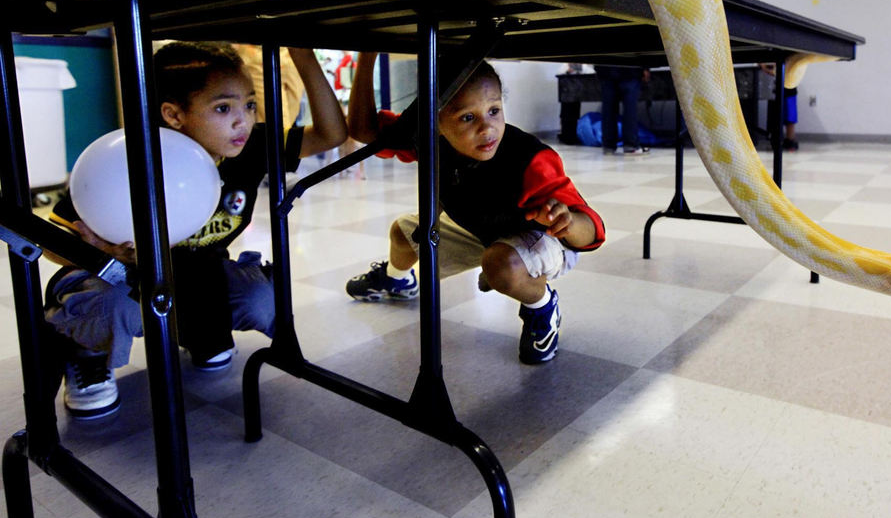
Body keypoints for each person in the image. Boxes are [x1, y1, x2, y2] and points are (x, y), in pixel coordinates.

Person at [45, 41, 348, 419]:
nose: (243, 120)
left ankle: (197, 332)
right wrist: (101, 256)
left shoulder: (249, 146)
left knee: (262, 298)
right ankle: (86, 352)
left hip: (197, 275)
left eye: (249, 104)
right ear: (174, 115)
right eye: (223, 108)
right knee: (112, 306)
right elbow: (51, 242)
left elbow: (331, 136)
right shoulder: (132, 158)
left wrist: (303, 54)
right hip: (121, 278)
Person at [343, 53, 605, 364]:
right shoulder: (428, 138)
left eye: (494, 111)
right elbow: (364, 131)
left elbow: (593, 230)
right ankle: (397, 278)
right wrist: (367, 55)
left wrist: (568, 221)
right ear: (436, 121)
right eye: (468, 117)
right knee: (403, 232)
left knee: (500, 265)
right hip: (479, 228)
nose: (487, 128)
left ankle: (543, 308)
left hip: (539, 234)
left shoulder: (530, 159)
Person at [594, 64, 649, 155]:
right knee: (630, 109)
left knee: (608, 109)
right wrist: (645, 68)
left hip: (606, 67)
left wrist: (597, 68)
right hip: (630, 68)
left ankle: (608, 146)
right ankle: (631, 145)